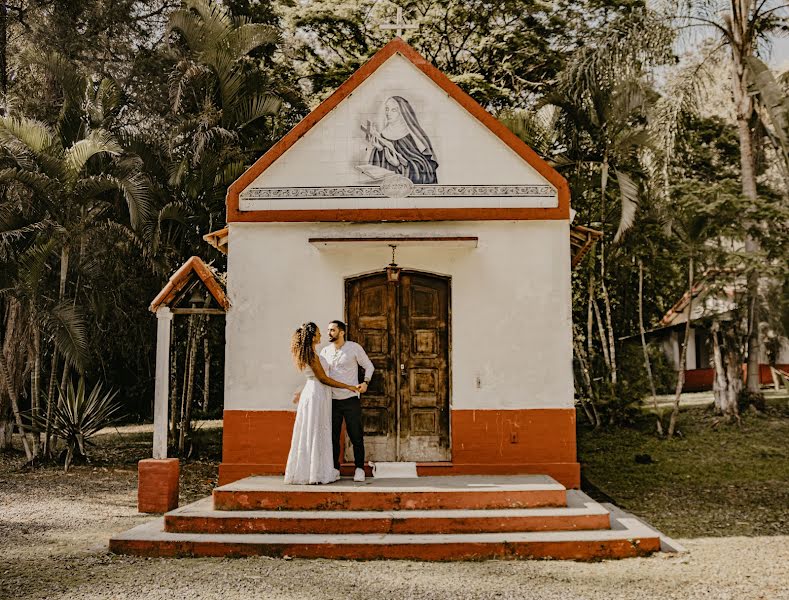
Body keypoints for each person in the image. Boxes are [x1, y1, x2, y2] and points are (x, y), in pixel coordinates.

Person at [284, 322, 361, 485]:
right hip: (317, 394)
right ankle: (315, 472)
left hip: (315, 392)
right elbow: (323, 378)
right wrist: (348, 386)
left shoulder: (310, 353)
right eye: (319, 333)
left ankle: (315, 469)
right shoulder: (312, 356)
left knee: (315, 430)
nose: (321, 335)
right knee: (316, 430)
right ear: (312, 337)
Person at [320, 320, 374, 482]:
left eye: (332, 330)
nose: (329, 333)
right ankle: (335, 469)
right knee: (333, 436)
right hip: (332, 400)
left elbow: (369, 366)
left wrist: (365, 382)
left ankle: (359, 468)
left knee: (356, 435)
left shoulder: (354, 348)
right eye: (328, 330)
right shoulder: (325, 351)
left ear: (341, 332)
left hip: (351, 399)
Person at [365, 96, 439, 184]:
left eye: (394, 110)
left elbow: (426, 169)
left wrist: (400, 165)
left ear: (402, 112)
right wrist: (380, 150)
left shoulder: (413, 136)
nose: (388, 113)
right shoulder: (383, 134)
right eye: (387, 109)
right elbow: (379, 168)